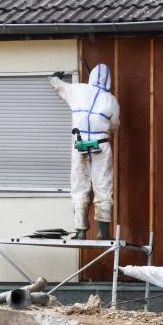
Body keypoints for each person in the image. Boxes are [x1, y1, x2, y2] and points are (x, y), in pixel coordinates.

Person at [49, 64, 120, 240]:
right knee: (103, 188)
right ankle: (103, 233)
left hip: (79, 145)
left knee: (79, 188)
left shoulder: (77, 89)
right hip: (101, 145)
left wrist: (55, 76)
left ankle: (81, 231)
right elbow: (115, 126)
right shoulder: (111, 100)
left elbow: (56, 84)